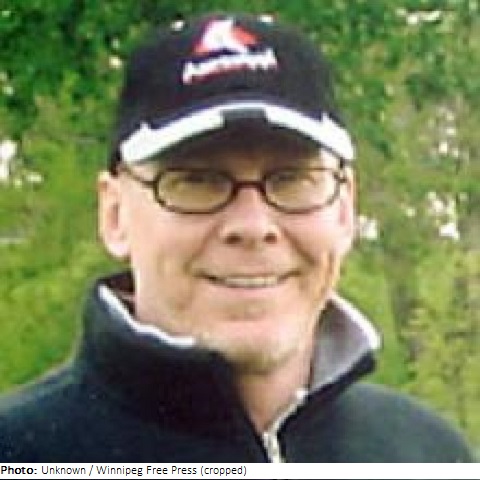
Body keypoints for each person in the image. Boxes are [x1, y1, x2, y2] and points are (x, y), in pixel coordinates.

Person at [0, 12, 473, 463]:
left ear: (345, 209)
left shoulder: (426, 452)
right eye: (197, 181)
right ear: (115, 215)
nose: (253, 225)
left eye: (292, 180)